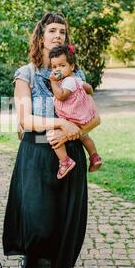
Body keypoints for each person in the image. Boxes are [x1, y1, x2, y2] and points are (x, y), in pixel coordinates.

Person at [2, 12, 100, 268]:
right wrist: (59, 122)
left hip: (69, 155)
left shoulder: (75, 75)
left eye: (63, 30)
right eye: (52, 30)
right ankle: (29, 259)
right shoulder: (26, 74)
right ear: (41, 35)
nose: (57, 34)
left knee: (65, 222)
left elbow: (92, 117)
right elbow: (24, 120)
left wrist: (78, 131)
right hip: (36, 153)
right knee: (38, 220)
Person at [49, 44, 102, 179]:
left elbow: (61, 96)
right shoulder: (77, 79)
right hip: (80, 117)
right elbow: (88, 87)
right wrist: (89, 91)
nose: (57, 69)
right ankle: (94, 156)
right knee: (84, 136)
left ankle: (65, 161)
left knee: (53, 136)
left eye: (62, 65)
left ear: (71, 67)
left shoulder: (68, 82)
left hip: (70, 117)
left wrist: (53, 83)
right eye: (54, 67)